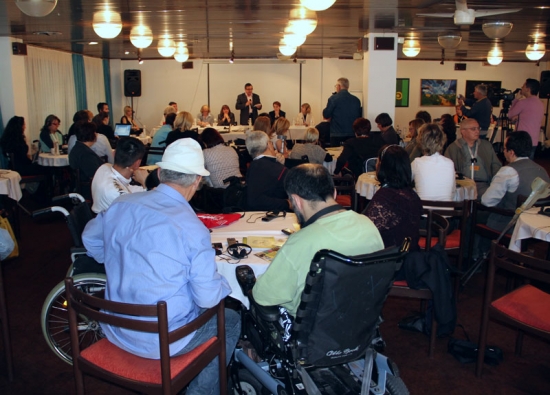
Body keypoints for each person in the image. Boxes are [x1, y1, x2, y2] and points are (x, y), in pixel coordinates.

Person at [82, 138, 240, 395]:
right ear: (197, 181)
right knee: (230, 319)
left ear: (158, 172)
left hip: (115, 327)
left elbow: (90, 240)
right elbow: (208, 298)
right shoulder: (192, 228)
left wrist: (116, 259)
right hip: (163, 340)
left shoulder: (121, 204)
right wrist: (225, 284)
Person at [252, 164, 384, 317]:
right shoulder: (368, 225)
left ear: (296, 201)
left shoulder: (301, 242)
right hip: (361, 322)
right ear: (334, 193)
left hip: (312, 333)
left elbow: (263, 297)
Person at [482, 131, 550, 231]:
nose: (503, 152)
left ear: (511, 152)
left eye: (504, 149)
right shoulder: (542, 170)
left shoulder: (509, 171)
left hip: (510, 225)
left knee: (473, 216)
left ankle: (479, 247)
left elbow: (487, 201)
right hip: (536, 225)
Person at [364, 145, 422, 251]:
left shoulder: (386, 197)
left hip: (391, 258)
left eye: (378, 161)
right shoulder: (412, 195)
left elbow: (368, 233)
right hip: (410, 253)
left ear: (383, 166)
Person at [445, 118, 501, 196]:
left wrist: (496, 184)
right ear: (463, 131)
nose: (477, 131)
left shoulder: (486, 146)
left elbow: (496, 165)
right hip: (463, 185)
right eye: (473, 129)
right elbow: (448, 170)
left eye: (478, 128)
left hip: (484, 185)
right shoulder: (453, 148)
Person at [91, 137, 148, 213]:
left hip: (102, 217)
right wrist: (145, 184)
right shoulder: (119, 195)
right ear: (137, 163)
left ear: (114, 154)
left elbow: (128, 188)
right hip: (112, 222)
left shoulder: (104, 167)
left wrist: (146, 189)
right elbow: (142, 211)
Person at [245, 130, 290, 212]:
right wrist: (287, 203)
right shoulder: (280, 170)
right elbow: (255, 200)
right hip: (277, 214)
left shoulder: (252, 166)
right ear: (269, 145)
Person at [411, 123, 455, 201]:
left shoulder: (417, 163)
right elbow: (452, 191)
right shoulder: (449, 163)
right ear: (442, 140)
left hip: (423, 211)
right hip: (446, 211)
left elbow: (405, 184)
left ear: (420, 141)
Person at [508, 78, 544, 159]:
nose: (521, 87)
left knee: (519, 163)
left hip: (522, 140)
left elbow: (510, 115)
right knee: (529, 163)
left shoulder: (523, 102)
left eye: (523, 86)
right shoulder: (540, 103)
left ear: (528, 89)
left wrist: (516, 99)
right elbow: (530, 116)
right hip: (534, 139)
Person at [323, 77, 362, 147]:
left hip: (336, 133)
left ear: (339, 87)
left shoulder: (333, 99)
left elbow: (326, 115)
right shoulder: (356, 100)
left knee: (335, 154)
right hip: (352, 133)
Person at [69, 122, 104, 194]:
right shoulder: (86, 154)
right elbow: (95, 173)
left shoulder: (77, 148)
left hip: (83, 186)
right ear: (91, 135)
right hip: (90, 189)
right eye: (95, 132)